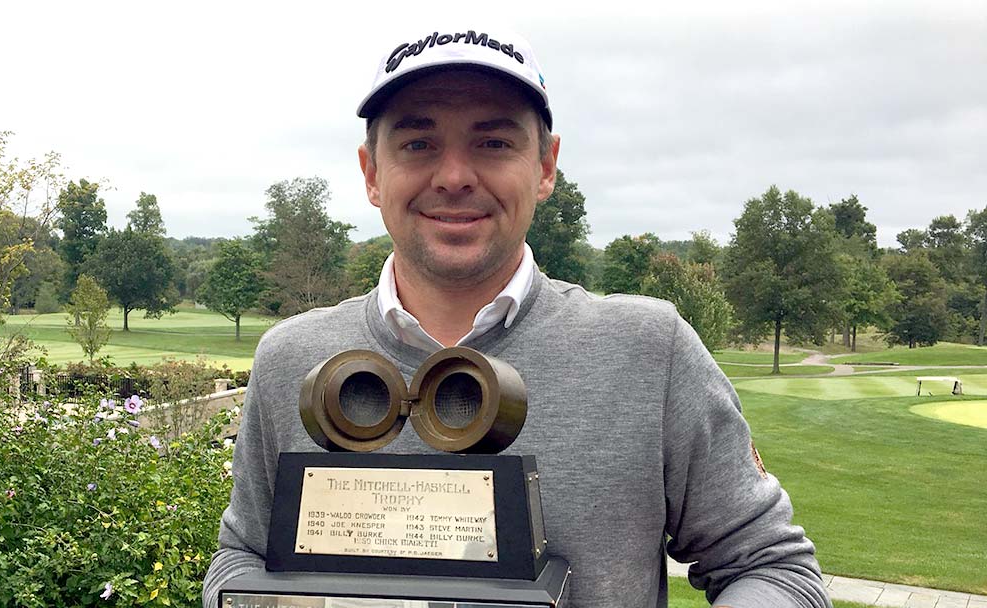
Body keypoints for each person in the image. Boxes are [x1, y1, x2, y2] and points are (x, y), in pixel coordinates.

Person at [203, 27, 831, 608]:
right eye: (418, 143)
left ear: (545, 166)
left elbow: (771, 567)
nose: (453, 176)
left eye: (494, 142)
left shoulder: (648, 350)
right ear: (372, 173)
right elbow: (241, 558)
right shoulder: (291, 356)